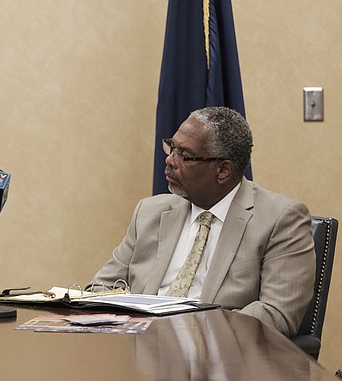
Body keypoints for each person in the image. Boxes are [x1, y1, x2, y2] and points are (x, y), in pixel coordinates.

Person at [88, 106, 315, 337]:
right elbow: (99, 290)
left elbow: (276, 314)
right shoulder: (150, 212)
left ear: (223, 170)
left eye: (184, 155)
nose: (169, 160)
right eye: (171, 147)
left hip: (222, 361)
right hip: (141, 352)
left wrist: (189, 332)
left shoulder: (280, 219)